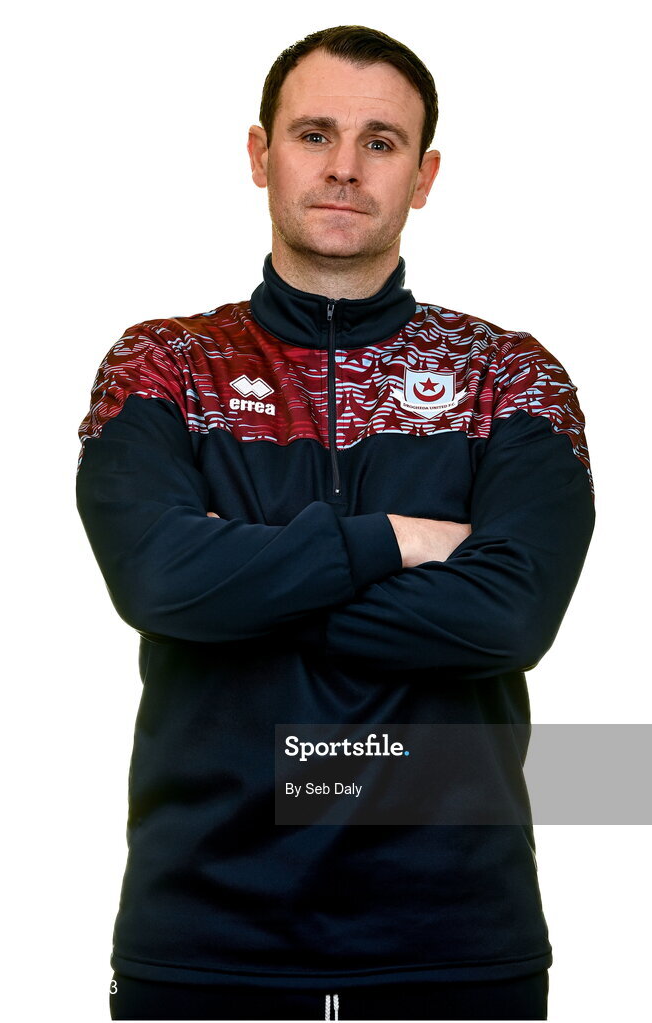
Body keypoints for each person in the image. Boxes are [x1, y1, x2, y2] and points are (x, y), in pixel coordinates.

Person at [76, 24, 594, 1022]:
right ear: (260, 153)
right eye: (315, 134)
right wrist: (394, 540)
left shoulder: (511, 378)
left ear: (424, 175)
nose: (345, 167)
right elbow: (158, 580)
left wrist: (242, 585)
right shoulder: (162, 367)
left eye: (381, 142)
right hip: (204, 941)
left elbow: (509, 615)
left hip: (454, 944)